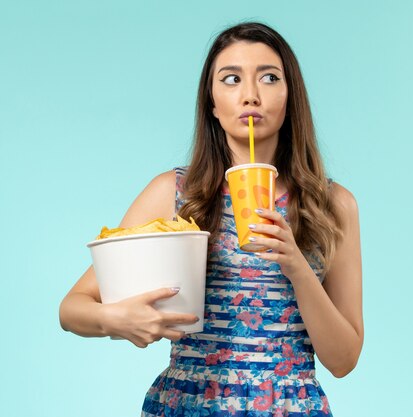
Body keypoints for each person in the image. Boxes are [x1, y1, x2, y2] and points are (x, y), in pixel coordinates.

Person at [59, 21, 363, 416]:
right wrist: (113, 318)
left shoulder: (333, 205)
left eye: (269, 78)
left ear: (290, 98)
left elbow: (343, 360)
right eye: (232, 79)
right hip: (189, 403)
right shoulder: (173, 194)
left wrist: (297, 267)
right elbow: (71, 308)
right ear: (212, 104)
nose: (250, 95)